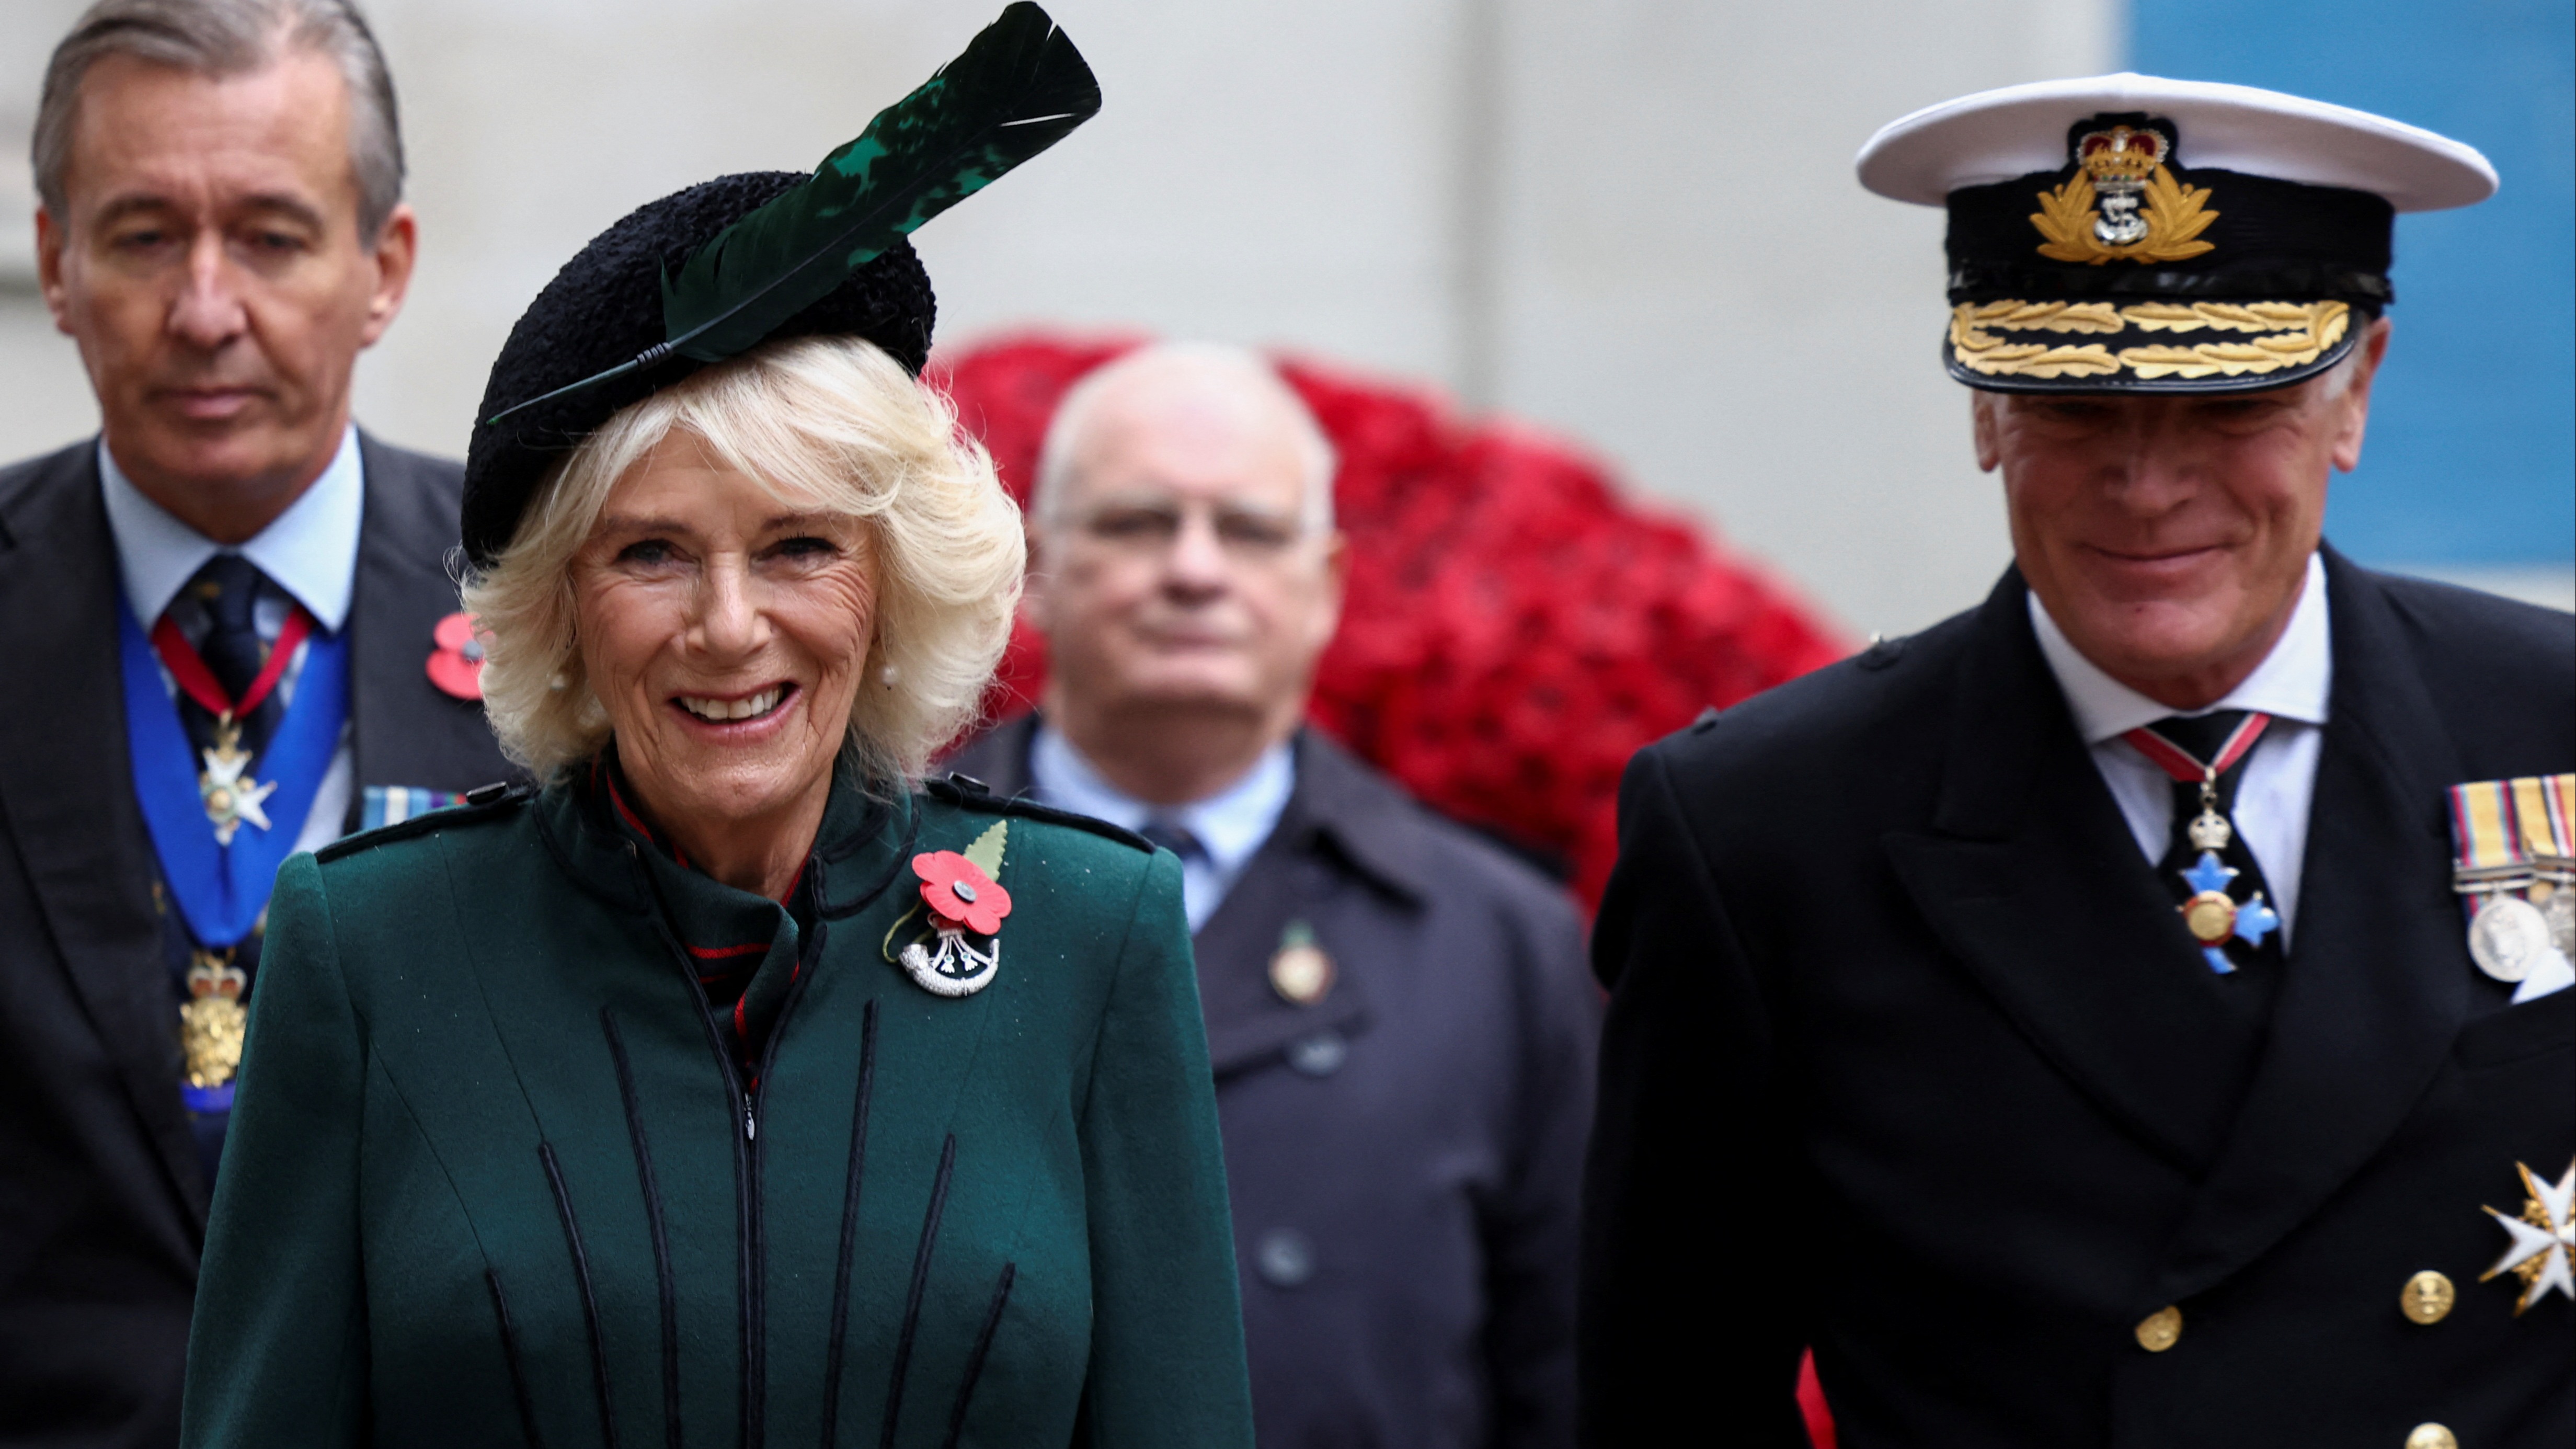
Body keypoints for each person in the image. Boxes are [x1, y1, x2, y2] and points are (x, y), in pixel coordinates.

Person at [178, 9, 1256, 1446]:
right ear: (563, 604)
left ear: (892, 583)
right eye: (651, 553)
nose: (731, 625)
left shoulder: (1093, 935)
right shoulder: (371, 951)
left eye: (801, 545)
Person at [1581, 75, 2573, 1448]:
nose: (2151, 483)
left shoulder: (2553, 723)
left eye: (2234, 407)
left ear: (2358, 393)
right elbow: (1671, 1391)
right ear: (1985, 411)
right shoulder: (1764, 829)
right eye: (2076, 408)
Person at [0, 3, 508, 1443]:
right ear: (57, 263)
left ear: (383, 266)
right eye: (145, 234)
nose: (207, 308)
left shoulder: (561, 609)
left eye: (274, 237)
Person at [949, 342, 1598, 1447]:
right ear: (1039, 570)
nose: (1193, 570)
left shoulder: (1502, 943)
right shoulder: (874, 885)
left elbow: (1572, 1378)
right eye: (1137, 523)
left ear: (1328, 586)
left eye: (1249, 531)